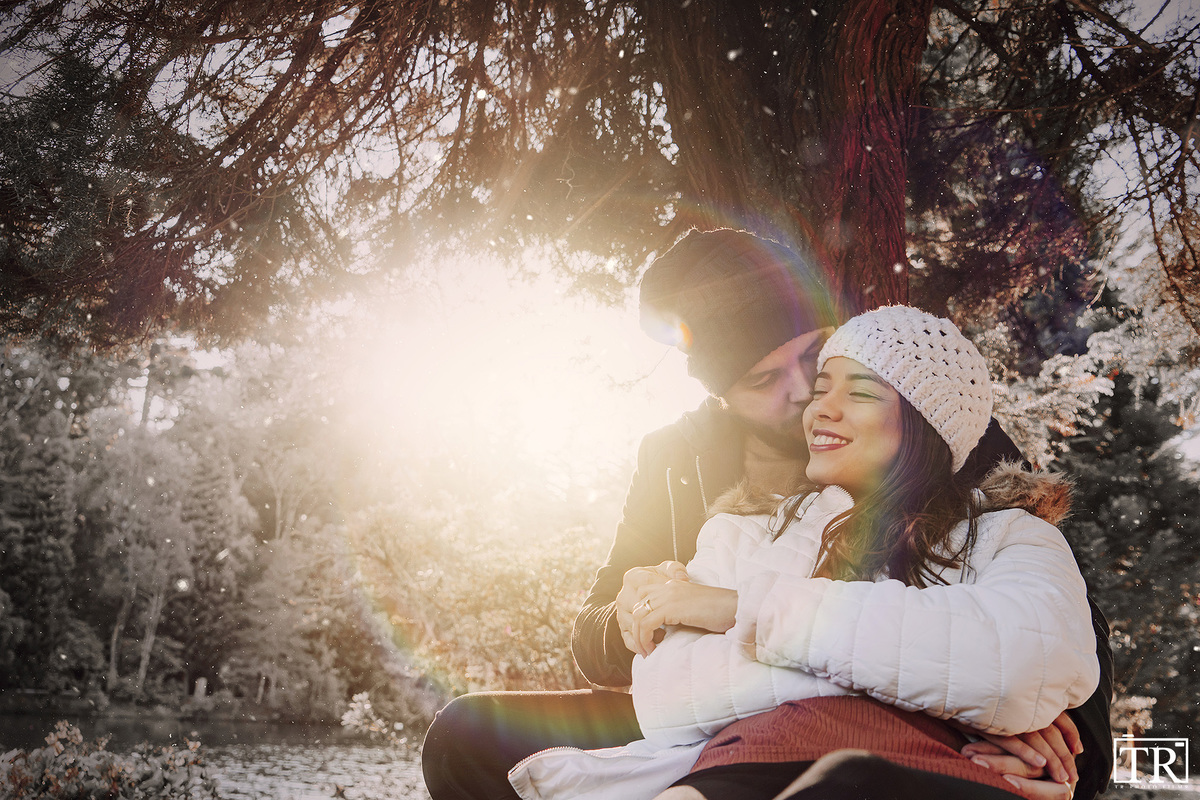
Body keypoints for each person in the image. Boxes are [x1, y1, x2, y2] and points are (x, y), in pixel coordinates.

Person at [421, 230, 1113, 800]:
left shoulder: (937, 430)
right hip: (714, 704)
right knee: (467, 738)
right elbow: (598, 643)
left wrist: (1048, 721)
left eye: (813, 355)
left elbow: (1052, 620)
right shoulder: (679, 461)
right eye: (760, 379)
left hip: (928, 722)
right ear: (723, 395)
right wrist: (643, 603)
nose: (802, 393)